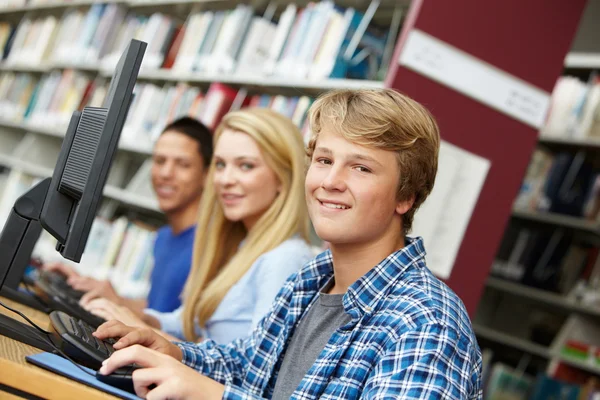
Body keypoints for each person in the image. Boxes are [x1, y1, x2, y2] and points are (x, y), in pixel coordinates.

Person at [95, 89, 483, 399]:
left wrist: (214, 396)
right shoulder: (310, 283)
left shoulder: (426, 323)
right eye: (324, 160)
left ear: (406, 197)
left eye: (361, 167)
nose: (330, 181)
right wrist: (173, 352)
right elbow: (248, 366)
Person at [85, 107, 315, 344]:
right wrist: (133, 316)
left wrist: (150, 334)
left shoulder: (285, 258)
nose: (225, 180)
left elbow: (253, 369)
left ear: (283, 177)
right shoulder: (243, 245)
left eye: (245, 166)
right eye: (221, 165)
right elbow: (190, 323)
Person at [44, 117, 213, 314]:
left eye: (183, 164)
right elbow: (159, 311)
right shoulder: (164, 237)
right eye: (159, 161)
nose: (165, 173)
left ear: (207, 175)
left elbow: (192, 335)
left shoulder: (213, 246)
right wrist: (91, 289)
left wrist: (117, 302)